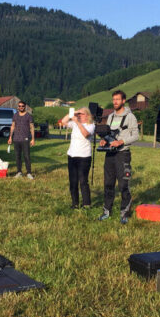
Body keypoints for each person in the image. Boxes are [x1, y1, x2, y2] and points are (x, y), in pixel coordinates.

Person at [98, 90, 139, 224]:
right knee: (108, 184)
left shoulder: (130, 117)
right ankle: (106, 211)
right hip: (110, 154)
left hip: (123, 154)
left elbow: (136, 135)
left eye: (117, 99)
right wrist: (104, 140)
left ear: (123, 100)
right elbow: (108, 134)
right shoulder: (110, 117)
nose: (115, 102)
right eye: (113, 99)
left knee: (123, 185)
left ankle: (124, 213)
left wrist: (121, 142)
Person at [61, 107, 95, 209]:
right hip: (72, 155)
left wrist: (78, 122)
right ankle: (75, 203)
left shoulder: (91, 125)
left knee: (83, 181)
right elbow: (63, 121)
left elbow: (85, 134)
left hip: (84, 157)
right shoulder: (74, 123)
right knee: (73, 181)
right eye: (79, 114)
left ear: (88, 116)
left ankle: (86, 204)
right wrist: (74, 113)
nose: (79, 116)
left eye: (82, 114)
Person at [8, 101, 35, 179]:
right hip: (16, 139)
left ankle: (29, 173)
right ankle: (19, 172)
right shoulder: (15, 115)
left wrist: (33, 139)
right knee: (17, 157)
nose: (21, 107)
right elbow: (12, 126)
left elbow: (32, 128)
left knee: (26, 156)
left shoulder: (28, 116)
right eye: (19, 106)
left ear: (25, 106)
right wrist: (10, 137)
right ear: (18, 107)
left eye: (22, 106)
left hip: (25, 139)